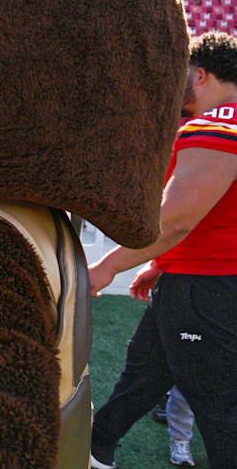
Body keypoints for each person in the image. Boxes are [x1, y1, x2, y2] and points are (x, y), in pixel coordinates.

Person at [87, 31, 237, 469]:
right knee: (141, 379)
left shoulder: (217, 124)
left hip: (207, 292)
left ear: (201, 74)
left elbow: (177, 219)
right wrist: (163, 263)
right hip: (197, 282)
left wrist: (107, 266)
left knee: (220, 412)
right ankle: (97, 451)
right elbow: (215, 216)